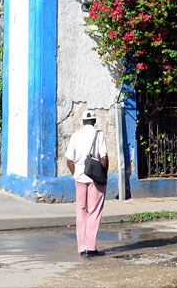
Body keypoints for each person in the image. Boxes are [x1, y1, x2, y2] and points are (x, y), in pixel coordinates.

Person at [65, 108, 109, 257]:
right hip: (95, 178)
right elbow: (104, 157)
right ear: (94, 121)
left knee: (81, 211)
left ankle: (81, 247)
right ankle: (91, 247)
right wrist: (104, 176)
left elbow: (69, 160)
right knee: (94, 211)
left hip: (79, 177)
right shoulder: (99, 135)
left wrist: (76, 174)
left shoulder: (76, 136)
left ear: (83, 122)